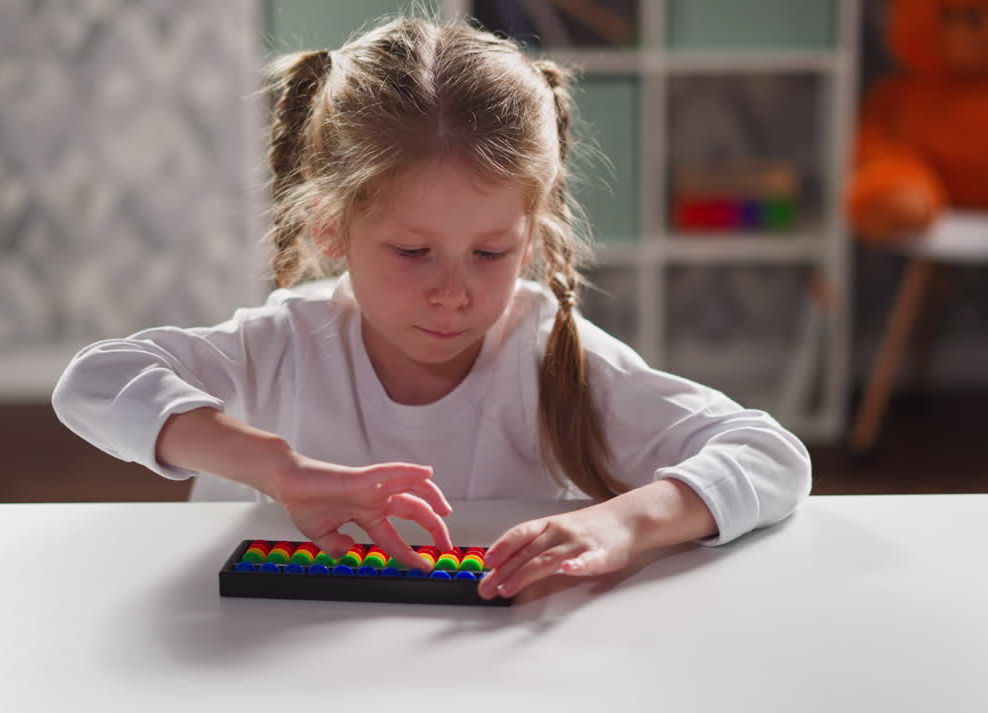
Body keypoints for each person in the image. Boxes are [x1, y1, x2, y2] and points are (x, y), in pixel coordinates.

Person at [52, 16, 811, 601]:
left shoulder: (546, 352)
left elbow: (770, 454)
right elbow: (94, 382)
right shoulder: (283, 345)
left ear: (532, 234)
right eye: (413, 252)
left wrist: (623, 520)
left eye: (490, 252)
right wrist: (276, 469)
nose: (453, 292)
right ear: (330, 227)